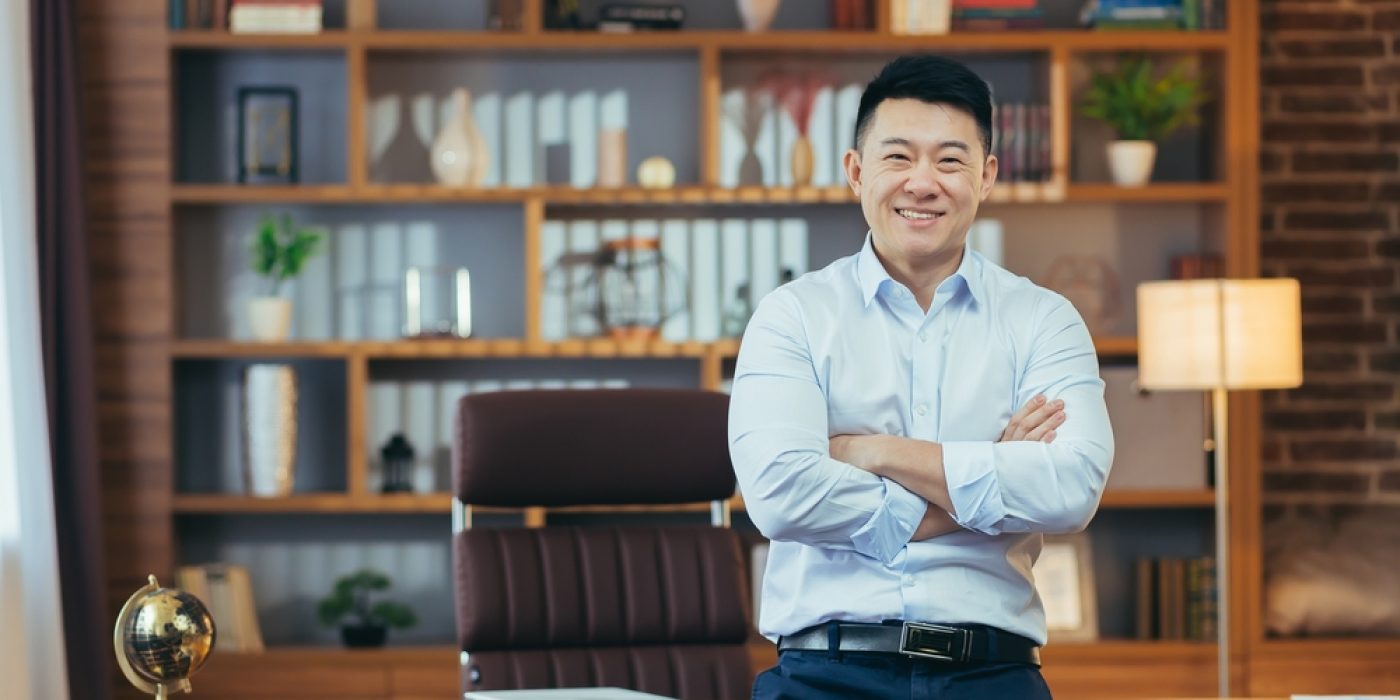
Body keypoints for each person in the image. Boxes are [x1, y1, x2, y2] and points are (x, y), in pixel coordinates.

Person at [728, 55, 1114, 699]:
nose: (923, 182)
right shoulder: (791, 316)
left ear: (987, 176)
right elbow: (779, 495)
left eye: (951, 160)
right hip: (824, 674)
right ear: (856, 172)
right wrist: (991, 476)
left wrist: (869, 452)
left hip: (993, 675)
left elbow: (1072, 488)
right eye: (899, 157)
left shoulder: (1045, 320)